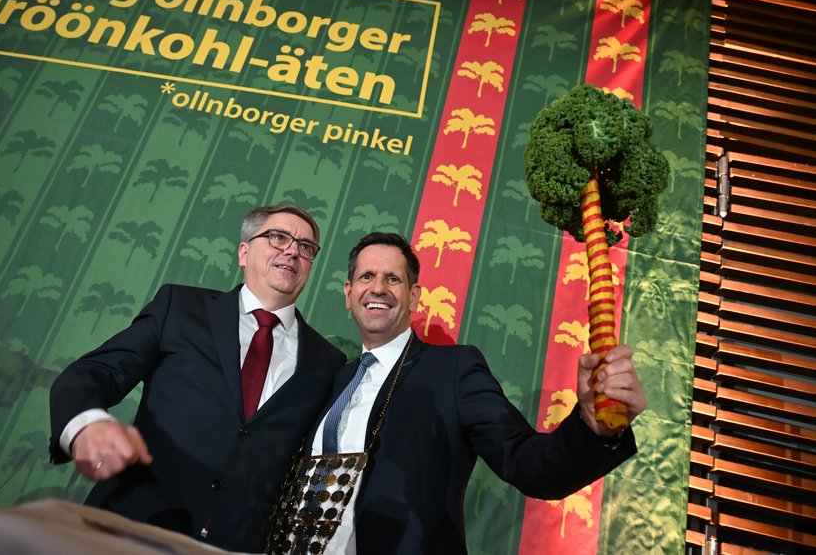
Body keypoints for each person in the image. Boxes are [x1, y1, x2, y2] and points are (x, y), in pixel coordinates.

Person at [295, 232, 647, 554]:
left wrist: (595, 428)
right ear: (348, 293)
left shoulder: (454, 370)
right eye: (366, 277)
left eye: (393, 279)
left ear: (414, 296)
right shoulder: (334, 379)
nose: (378, 288)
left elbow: (528, 463)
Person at [47, 204, 345, 552]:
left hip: (235, 544)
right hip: (129, 527)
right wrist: (86, 425)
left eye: (305, 247)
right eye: (278, 237)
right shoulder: (180, 307)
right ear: (244, 252)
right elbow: (92, 373)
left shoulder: (327, 361)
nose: (293, 250)